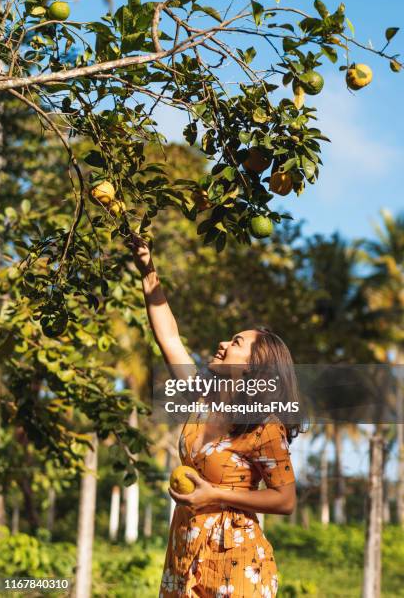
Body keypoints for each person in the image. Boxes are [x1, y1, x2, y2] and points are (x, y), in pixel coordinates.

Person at [127, 234, 299, 598]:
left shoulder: (263, 425)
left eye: (236, 343)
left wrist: (214, 494)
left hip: (235, 560)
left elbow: (285, 500)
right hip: (184, 549)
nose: (223, 343)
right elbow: (169, 337)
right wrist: (147, 268)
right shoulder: (201, 399)